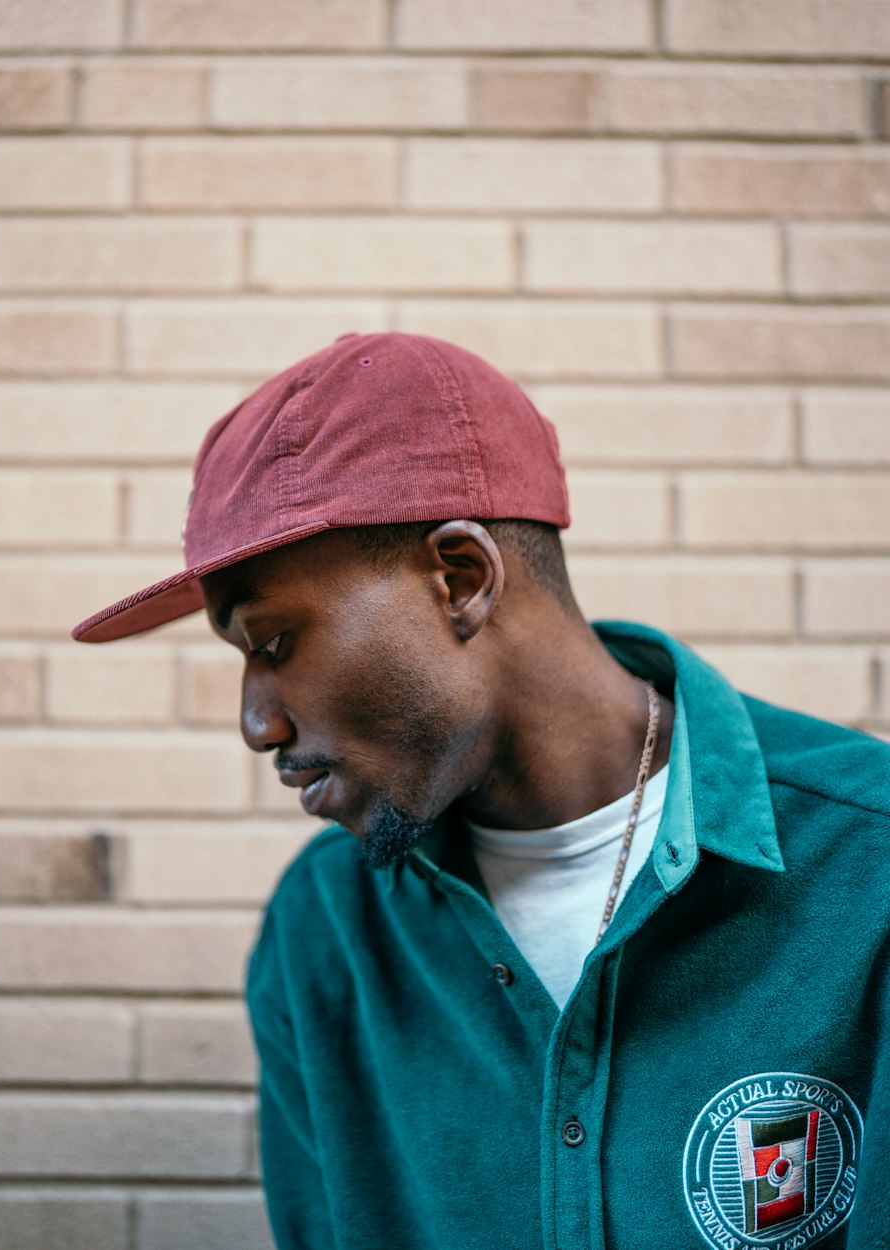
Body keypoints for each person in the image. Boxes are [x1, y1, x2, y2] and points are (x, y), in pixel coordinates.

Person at [73, 332, 888, 1250]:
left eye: (273, 643)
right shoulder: (324, 930)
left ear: (460, 578)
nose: (258, 723)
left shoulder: (870, 867)